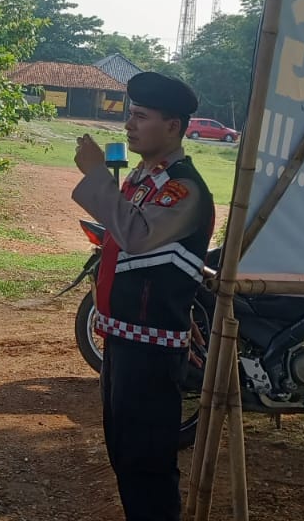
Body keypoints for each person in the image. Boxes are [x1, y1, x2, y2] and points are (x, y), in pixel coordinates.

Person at [72, 71, 216, 521]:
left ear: (172, 126)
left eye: (141, 116)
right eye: (129, 115)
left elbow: (134, 235)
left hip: (151, 349)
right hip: (123, 340)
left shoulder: (184, 189)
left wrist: (96, 175)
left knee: (147, 461)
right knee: (125, 454)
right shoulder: (143, 177)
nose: (129, 125)